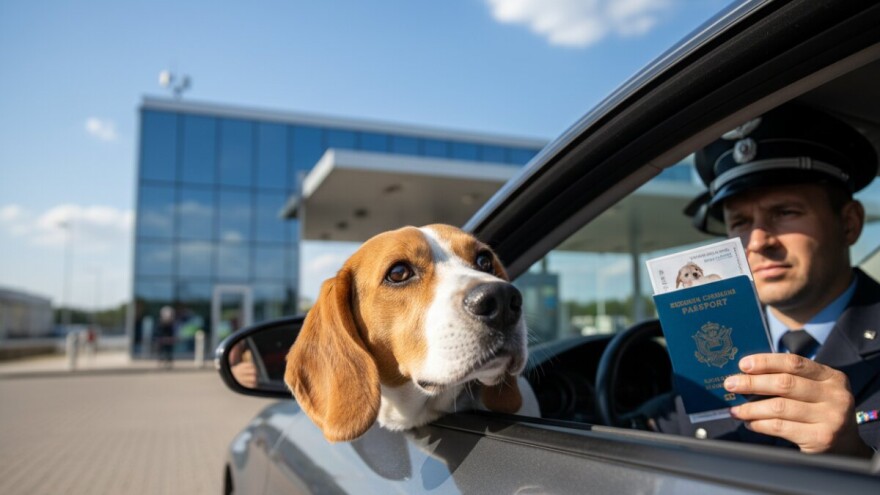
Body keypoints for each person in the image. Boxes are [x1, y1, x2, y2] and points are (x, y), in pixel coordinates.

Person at [656, 103, 880, 458]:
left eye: (785, 212)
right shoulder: (702, 343)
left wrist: (858, 458)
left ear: (849, 223)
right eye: (741, 222)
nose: (758, 242)